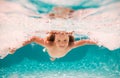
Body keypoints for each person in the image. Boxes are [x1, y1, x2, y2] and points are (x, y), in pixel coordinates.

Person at [18, 30, 97, 61]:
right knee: (50, 53)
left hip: (57, 54)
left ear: (69, 39)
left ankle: (53, 58)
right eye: (58, 40)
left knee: (53, 57)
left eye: (65, 40)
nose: (62, 43)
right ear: (54, 41)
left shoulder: (70, 45)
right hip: (51, 52)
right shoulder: (49, 44)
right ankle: (52, 57)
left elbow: (85, 41)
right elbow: (34, 38)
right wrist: (17, 46)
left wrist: (99, 42)